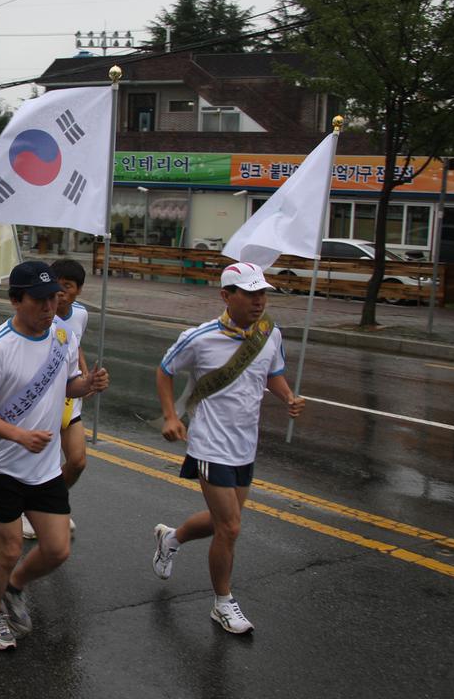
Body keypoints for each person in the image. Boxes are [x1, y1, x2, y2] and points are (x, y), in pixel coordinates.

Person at [152, 262, 304, 635]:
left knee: (224, 520)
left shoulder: (270, 334)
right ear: (226, 296)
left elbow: (272, 373)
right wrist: (171, 417)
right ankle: (222, 603)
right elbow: (165, 370)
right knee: (231, 527)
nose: (259, 302)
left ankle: (171, 538)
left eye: (262, 294)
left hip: (245, 444)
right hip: (209, 444)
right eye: (250, 294)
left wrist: (287, 396)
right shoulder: (199, 337)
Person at [0, 261, 109, 651]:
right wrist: (18, 435)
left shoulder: (61, 335)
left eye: (54, 299)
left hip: (43, 469)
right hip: (1, 466)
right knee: (9, 549)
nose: (49, 308)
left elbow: (68, 386)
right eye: (40, 300)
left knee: (57, 549)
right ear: (16, 300)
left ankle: (14, 587)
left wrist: (88, 385)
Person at [20, 257, 91, 539]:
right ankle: (35, 509)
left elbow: (76, 347)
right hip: (40, 398)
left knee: (77, 461)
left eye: (68, 286)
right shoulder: (37, 313)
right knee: (39, 462)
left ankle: (48, 505)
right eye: (57, 285)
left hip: (68, 398)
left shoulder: (81, 314)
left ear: (79, 290)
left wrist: (86, 376)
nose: (60, 293)